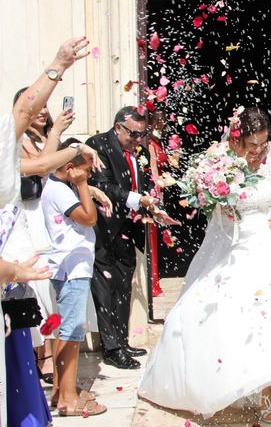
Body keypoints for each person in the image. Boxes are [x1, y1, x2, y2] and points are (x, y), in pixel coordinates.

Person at [139, 107, 271, 423]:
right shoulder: (216, 157)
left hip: (266, 242)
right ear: (237, 138)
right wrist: (215, 197)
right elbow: (199, 196)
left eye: (263, 144)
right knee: (231, 318)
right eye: (253, 145)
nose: (258, 151)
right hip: (228, 245)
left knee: (266, 317)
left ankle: (266, 390)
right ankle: (238, 387)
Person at [0, 37, 90, 426]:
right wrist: (74, 152)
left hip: (15, 265)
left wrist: (59, 65)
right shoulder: (18, 153)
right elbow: (38, 167)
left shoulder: (9, 137)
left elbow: (22, 110)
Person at [86, 106, 178, 370]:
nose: (139, 140)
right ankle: (111, 348)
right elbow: (102, 185)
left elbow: (140, 180)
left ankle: (122, 341)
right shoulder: (98, 145)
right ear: (118, 127)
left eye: (142, 135)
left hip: (129, 227)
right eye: (134, 135)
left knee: (124, 285)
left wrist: (152, 201)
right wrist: (140, 200)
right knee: (105, 289)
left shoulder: (135, 148)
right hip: (104, 228)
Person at [41, 139, 107, 417]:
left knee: (69, 331)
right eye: (86, 171)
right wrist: (82, 187)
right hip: (71, 269)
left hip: (73, 267)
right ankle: (68, 398)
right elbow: (89, 218)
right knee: (71, 333)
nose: (89, 176)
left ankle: (62, 390)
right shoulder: (61, 191)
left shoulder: (57, 185)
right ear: (70, 168)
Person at [147, 109, 169, 297]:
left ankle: (154, 277)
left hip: (160, 188)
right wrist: (157, 192)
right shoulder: (150, 143)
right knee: (151, 235)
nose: (161, 122)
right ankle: (152, 280)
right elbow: (153, 169)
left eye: (163, 119)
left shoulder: (158, 140)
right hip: (153, 191)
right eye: (158, 119)